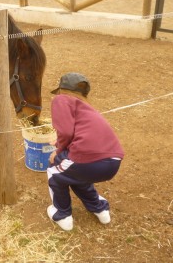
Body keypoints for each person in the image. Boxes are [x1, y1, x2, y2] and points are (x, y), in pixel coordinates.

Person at [46, 72, 124, 231]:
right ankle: (100, 209)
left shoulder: (61, 99)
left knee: (55, 172)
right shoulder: (87, 109)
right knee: (75, 175)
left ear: (62, 90)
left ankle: (63, 215)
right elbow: (81, 134)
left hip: (87, 158)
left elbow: (66, 132)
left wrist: (57, 151)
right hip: (113, 160)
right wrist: (64, 147)